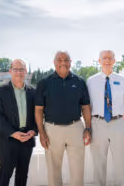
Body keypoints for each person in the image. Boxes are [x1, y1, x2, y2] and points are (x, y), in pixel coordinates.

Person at [35, 51, 91, 186]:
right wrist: (42, 133)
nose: (63, 62)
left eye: (66, 60)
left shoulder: (79, 82)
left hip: (75, 128)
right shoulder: (44, 83)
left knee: (77, 171)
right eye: (59, 60)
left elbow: (86, 107)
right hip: (52, 129)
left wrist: (88, 128)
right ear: (54, 63)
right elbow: (38, 110)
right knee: (53, 171)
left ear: (70, 62)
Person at [86, 50, 124, 186]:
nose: (107, 60)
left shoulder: (122, 80)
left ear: (114, 61)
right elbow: (86, 106)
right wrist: (88, 128)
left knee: (120, 163)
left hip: (118, 124)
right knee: (98, 163)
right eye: (104, 58)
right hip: (97, 123)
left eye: (110, 58)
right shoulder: (91, 81)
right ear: (99, 61)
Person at [0, 59, 37, 186]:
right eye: (16, 69)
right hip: (8, 139)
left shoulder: (33, 92)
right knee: (5, 174)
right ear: (10, 71)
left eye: (22, 69)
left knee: (22, 175)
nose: (19, 72)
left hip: (27, 138)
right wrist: (13, 133)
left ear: (26, 72)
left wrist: (33, 131)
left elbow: (38, 114)